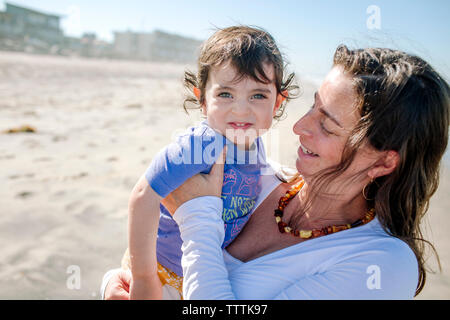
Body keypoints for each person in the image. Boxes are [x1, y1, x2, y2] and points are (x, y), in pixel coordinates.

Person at [103, 45, 449, 299]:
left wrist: (197, 217)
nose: (299, 127)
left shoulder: (383, 265)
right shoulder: (258, 176)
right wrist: (117, 284)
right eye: (313, 107)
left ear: (383, 162)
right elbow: (157, 249)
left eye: (326, 127)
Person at [126, 26, 297, 299]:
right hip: (162, 269)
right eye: (226, 94)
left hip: (202, 269)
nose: (240, 109)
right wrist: (143, 277)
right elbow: (142, 195)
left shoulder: (256, 142)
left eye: (258, 95)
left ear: (277, 103)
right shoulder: (201, 145)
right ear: (202, 99)